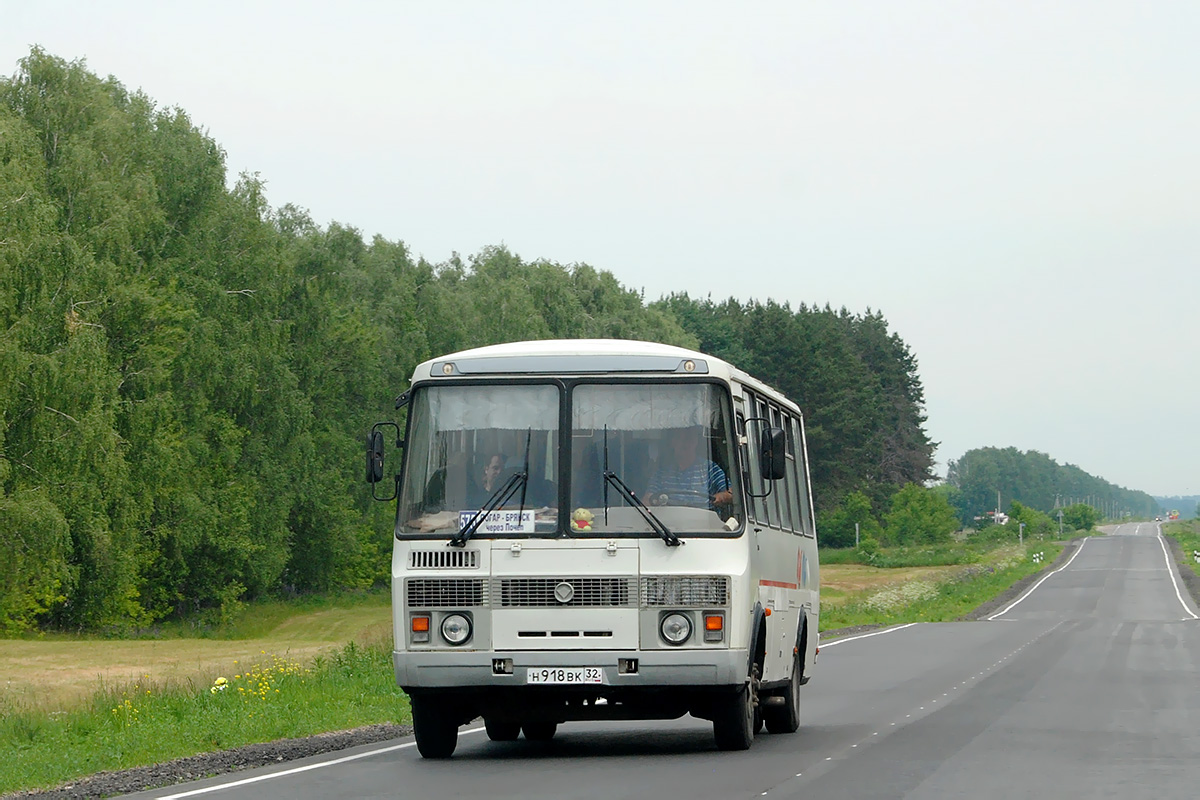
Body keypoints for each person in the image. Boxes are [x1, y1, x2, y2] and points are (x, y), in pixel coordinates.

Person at [642, 428, 732, 510]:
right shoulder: (661, 473)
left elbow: (732, 495)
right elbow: (647, 500)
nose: (685, 444)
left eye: (689, 438)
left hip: (704, 525)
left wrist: (721, 497)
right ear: (673, 442)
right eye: (680, 438)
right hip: (668, 525)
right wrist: (654, 502)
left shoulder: (709, 468)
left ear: (696, 442)